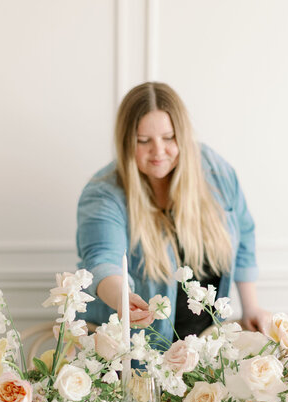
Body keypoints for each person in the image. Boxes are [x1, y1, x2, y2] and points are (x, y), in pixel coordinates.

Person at [76, 82, 268, 344]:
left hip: (207, 350)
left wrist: (251, 307)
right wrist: (122, 299)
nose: (159, 151)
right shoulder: (103, 193)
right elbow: (101, 259)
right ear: (126, 142)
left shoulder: (215, 173)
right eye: (144, 141)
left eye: (169, 138)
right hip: (136, 356)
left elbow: (243, 234)